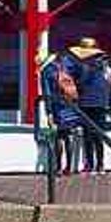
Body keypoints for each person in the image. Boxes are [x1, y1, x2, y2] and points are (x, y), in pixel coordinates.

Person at [69, 38, 111, 175]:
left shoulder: (84, 66)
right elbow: (109, 83)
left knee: (88, 135)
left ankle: (90, 165)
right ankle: (100, 165)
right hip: (101, 103)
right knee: (99, 135)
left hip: (87, 102)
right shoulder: (105, 65)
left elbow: (81, 83)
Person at [38, 49, 82, 177]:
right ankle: (69, 167)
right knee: (68, 136)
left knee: (58, 137)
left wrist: (49, 113)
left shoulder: (47, 71)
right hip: (71, 105)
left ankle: (58, 167)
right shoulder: (69, 68)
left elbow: (47, 93)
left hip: (57, 106)